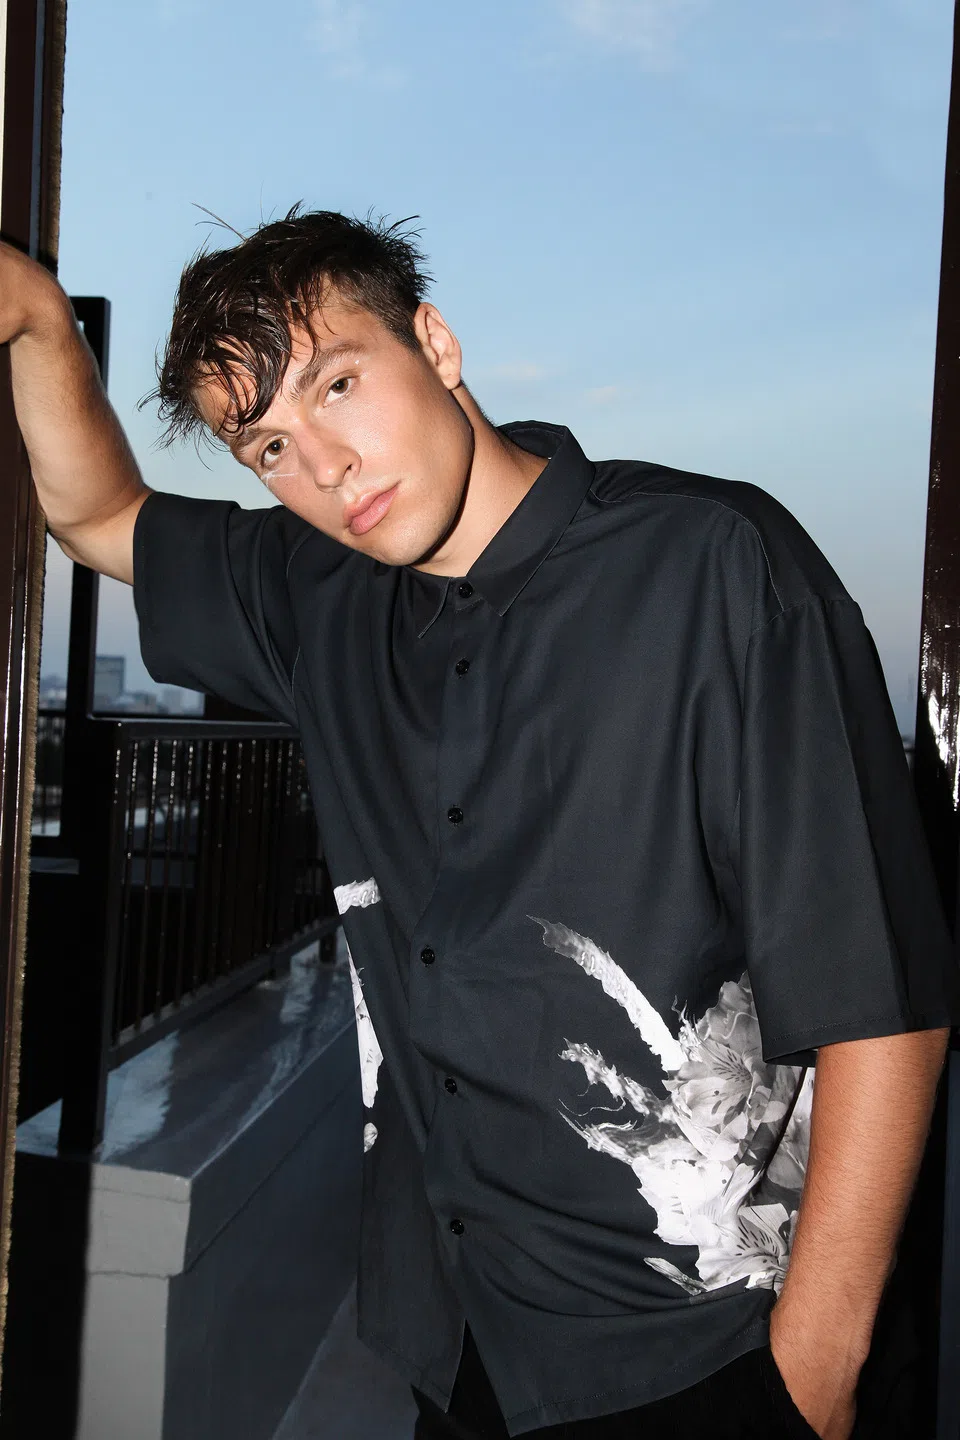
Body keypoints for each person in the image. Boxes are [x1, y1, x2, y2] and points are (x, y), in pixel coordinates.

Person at [1, 210, 957, 1440]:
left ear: (436, 344)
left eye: (338, 385)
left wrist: (814, 1376)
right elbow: (96, 517)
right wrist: (37, 319)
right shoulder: (320, 593)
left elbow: (880, 993)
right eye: (271, 446)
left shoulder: (712, 565)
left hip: (701, 1347)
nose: (324, 468)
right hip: (460, 1342)